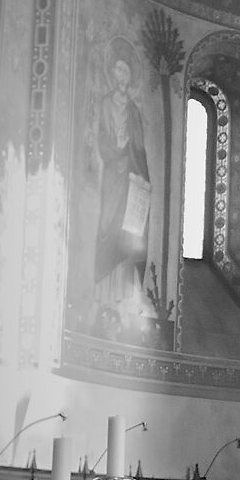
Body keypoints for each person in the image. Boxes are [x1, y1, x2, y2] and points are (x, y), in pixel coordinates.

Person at [94, 46, 153, 327]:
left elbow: (139, 149)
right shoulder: (106, 103)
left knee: (128, 231)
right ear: (112, 73)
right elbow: (103, 138)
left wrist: (140, 174)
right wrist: (115, 147)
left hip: (130, 177)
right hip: (112, 177)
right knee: (107, 226)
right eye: (118, 69)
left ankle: (125, 296)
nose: (122, 74)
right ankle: (103, 294)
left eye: (126, 70)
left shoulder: (133, 111)